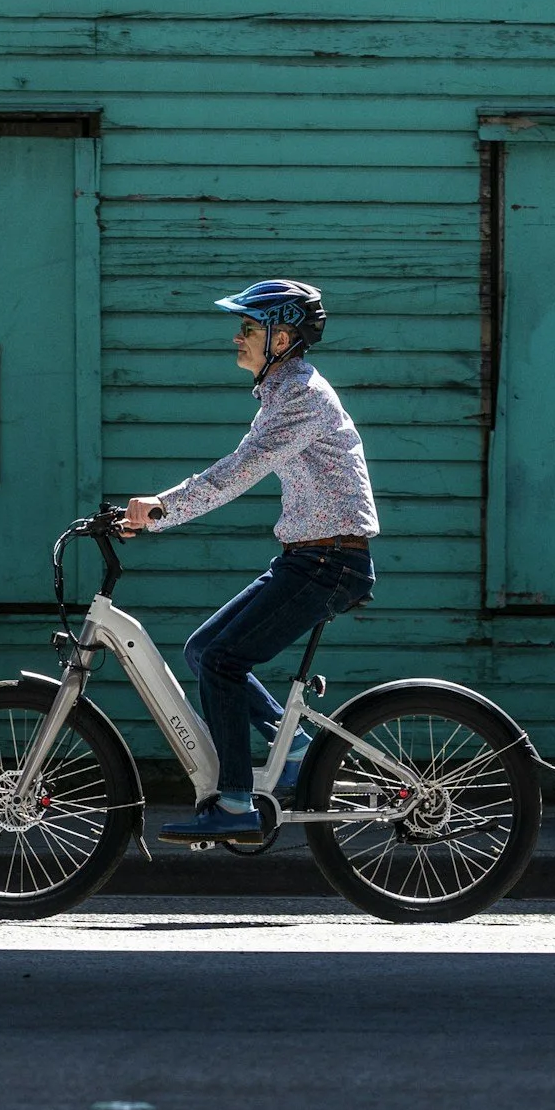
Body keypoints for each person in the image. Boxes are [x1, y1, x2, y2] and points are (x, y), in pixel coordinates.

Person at [120, 279, 379, 840]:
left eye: (247, 329)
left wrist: (162, 508)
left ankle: (236, 802)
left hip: (329, 562)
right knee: (203, 649)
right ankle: (297, 751)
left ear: (281, 338)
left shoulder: (300, 398)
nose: (237, 338)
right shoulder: (283, 392)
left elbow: (239, 470)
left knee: (221, 662)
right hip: (310, 556)